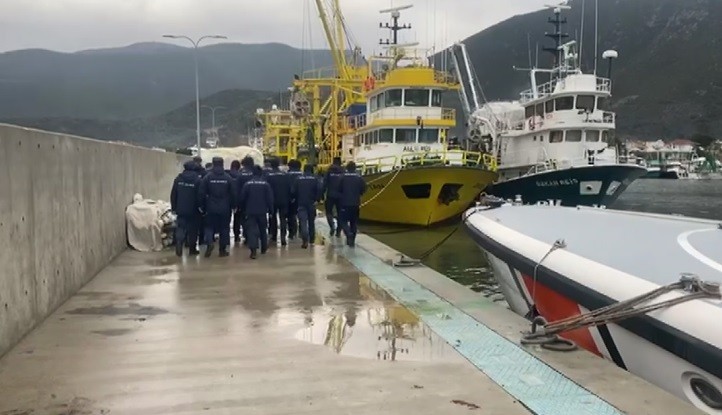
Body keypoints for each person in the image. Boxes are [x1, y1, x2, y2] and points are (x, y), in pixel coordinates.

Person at [198, 157, 235, 257]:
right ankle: (222, 250)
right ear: (222, 164)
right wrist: (233, 206)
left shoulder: (207, 177)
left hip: (211, 206)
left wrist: (201, 205)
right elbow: (233, 193)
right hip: (225, 207)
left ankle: (209, 243)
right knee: (224, 228)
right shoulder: (228, 178)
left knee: (209, 227)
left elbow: (201, 192)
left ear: (213, 164)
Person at [239, 165, 274, 259]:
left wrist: (242, 209)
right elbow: (270, 199)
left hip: (250, 211)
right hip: (262, 211)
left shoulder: (247, 184)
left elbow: (242, 198)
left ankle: (253, 250)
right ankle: (263, 248)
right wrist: (271, 210)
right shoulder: (266, 184)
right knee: (263, 230)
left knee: (252, 231)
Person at [170, 160, 202, 257]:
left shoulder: (178, 179)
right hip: (193, 209)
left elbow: (173, 195)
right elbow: (199, 196)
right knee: (193, 229)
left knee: (180, 227)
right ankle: (192, 249)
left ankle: (179, 243)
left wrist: (174, 207)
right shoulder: (197, 180)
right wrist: (201, 207)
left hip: (181, 208)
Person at [338, 161, 366, 247]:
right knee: (354, 222)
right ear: (355, 168)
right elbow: (364, 189)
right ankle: (352, 241)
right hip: (355, 203)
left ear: (347, 168)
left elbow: (339, 189)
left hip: (344, 203)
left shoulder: (342, 177)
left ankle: (348, 233)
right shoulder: (359, 178)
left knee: (343, 220)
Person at [293, 164, 322, 249]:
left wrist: (296, 198)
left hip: (301, 203)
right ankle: (312, 239)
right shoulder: (315, 179)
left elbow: (293, 191)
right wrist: (317, 199)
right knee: (311, 222)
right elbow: (320, 189)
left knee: (303, 222)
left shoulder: (298, 179)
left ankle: (305, 238)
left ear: (304, 170)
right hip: (311, 203)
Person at [266, 158, 291, 246]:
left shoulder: (268, 176)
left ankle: (274, 236)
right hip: (283, 200)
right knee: (283, 218)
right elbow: (289, 188)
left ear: (271, 165)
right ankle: (283, 237)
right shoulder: (285, 175)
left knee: (272, 218)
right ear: (278, 164)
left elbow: (266, 189)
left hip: (272, 200)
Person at [322, 157, 345, 237]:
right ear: (340, 162)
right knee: (341, 214)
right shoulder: (343, 171)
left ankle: (332, 226)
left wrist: (321, 194)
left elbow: (324, 183)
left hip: (330, 195)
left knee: (329, 212)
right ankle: (339, 231)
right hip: (341, 196)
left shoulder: (329, 171)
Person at [235, 156, 255, 244]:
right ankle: (251, 236)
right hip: (253, 199)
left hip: (242, 199)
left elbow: (236, 187)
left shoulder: (239, 173)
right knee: (252, 219)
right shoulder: (254, 172)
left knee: (242, 218)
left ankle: (243, 234)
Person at [286, 159, 303, 240]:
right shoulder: (302, 175)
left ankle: (292, 232)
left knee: (291, 215)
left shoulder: (287, 175)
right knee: (301, 215)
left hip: (291, 198)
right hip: (302, 198)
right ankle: (301, 231)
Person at [228, 160, 243, 243]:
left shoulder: (227, 174)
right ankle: (237, 235)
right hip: (238, 200)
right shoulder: (240, 175)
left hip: (227, 200)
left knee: (227, 219)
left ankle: (225, 237)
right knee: (238, 219)